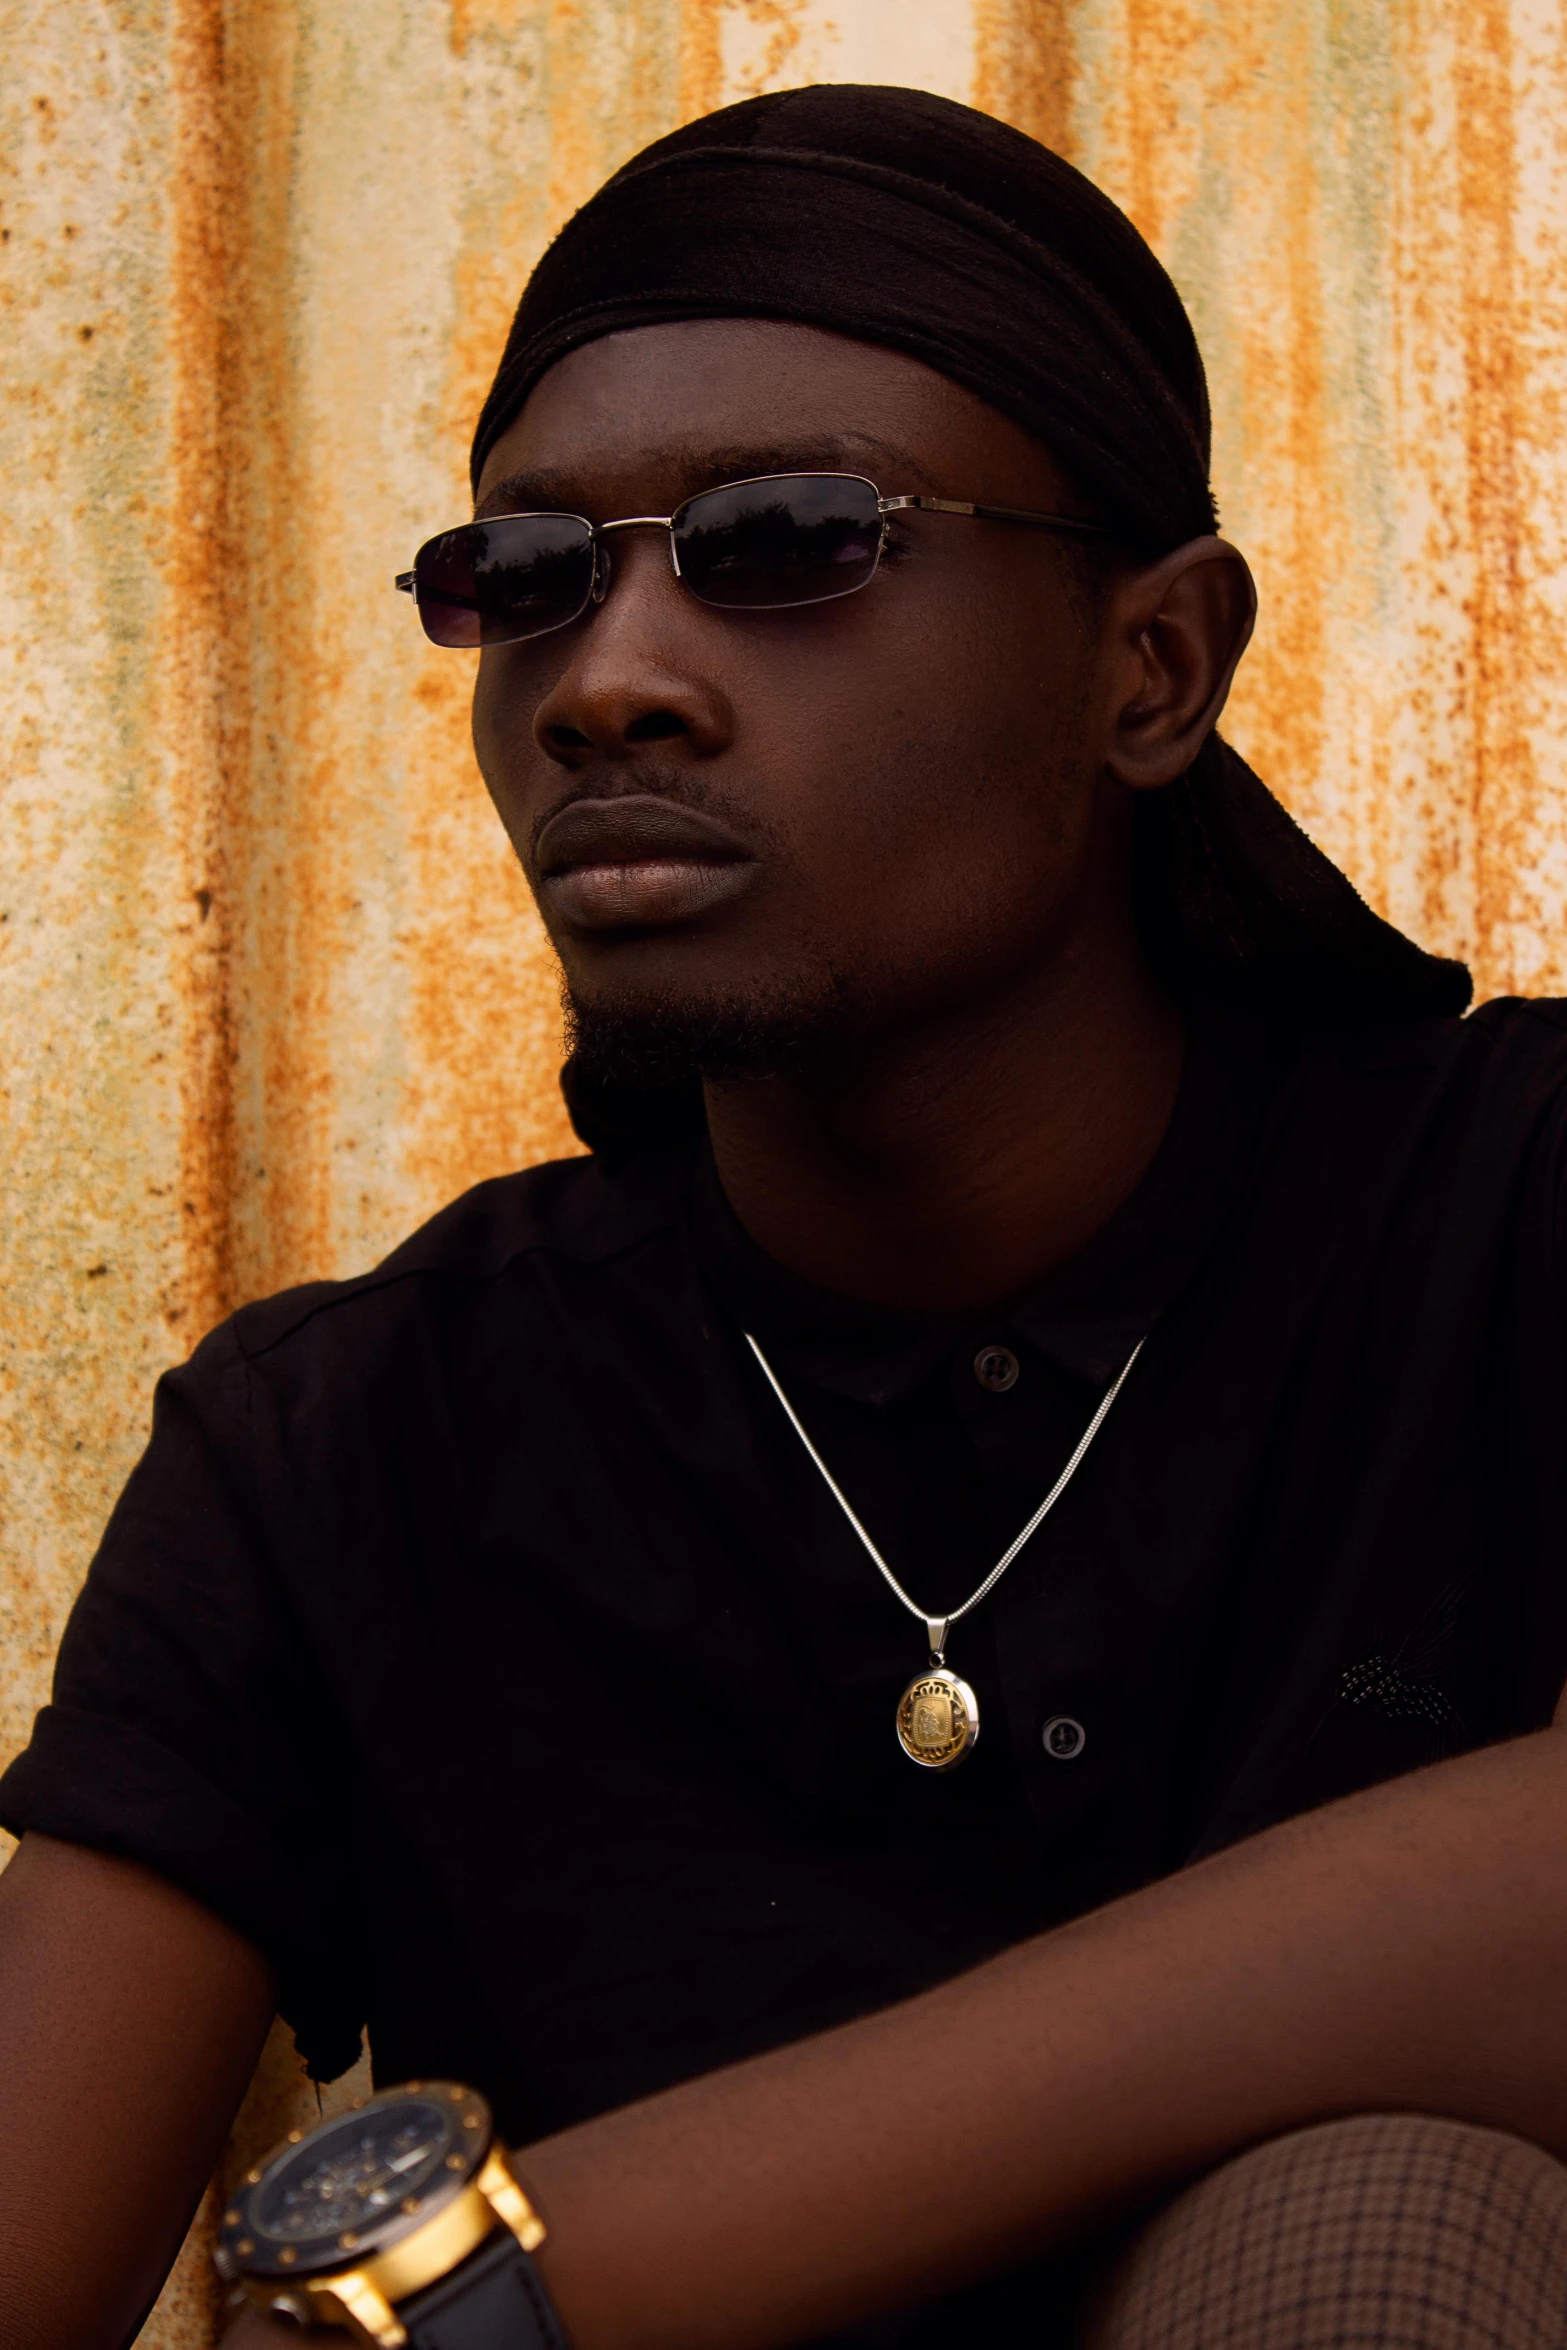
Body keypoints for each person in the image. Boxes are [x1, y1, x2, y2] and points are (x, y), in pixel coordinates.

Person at [5, 80, 1567, 2350]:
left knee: (1369, 2222)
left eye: (789, 538)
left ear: (1156, 666)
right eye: (525, 574)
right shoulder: (350, 1444)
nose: (608, 678)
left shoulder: (1506, 1212)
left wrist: (499, 2282)